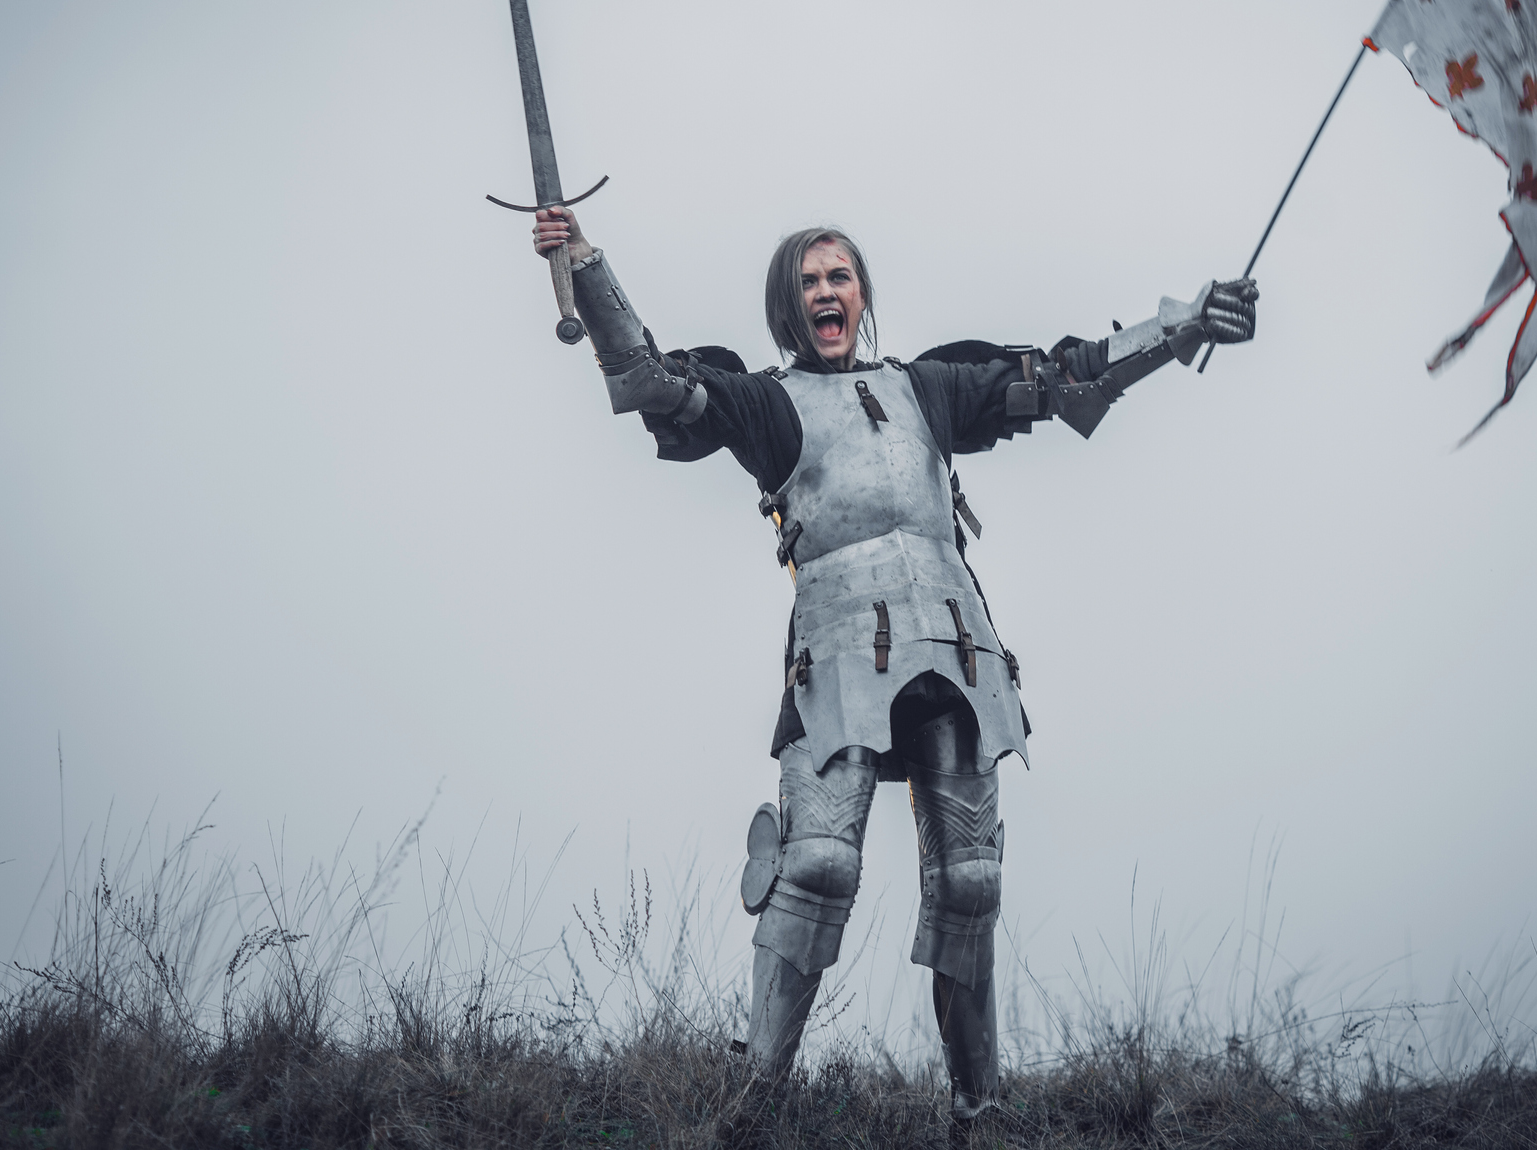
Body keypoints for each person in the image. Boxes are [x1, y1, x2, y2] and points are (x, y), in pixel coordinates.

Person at [532, 207, 1257, 1121]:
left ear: (860, 292)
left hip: (955, 648)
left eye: (838, 276)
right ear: (786, 309)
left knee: (970, 881)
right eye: (807, 282)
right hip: (835, 652)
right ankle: (751, 1101)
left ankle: (975, 1111)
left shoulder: (929, 389)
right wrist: (586, 263)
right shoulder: (764, 401)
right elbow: (647, 379)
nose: (825, 292)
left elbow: (1067, 375)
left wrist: (1187, 321)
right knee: (821, 866)